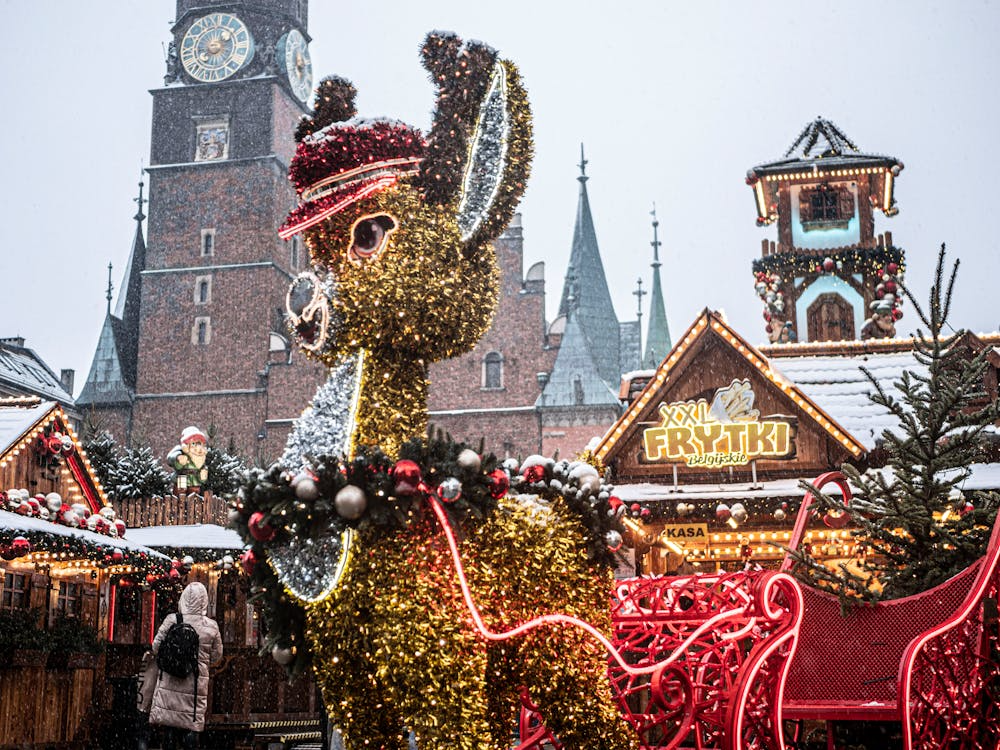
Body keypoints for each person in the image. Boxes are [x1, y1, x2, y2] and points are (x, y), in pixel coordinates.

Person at [149, 581, 223, 750]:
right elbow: (217, 656)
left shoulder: (172, 620)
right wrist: (200, 662)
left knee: (169, 728)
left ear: (182, 599)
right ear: (204, 601)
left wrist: (173, 659)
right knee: (190, 728)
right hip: (195, 686)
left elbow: (156, 647)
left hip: (170, 681)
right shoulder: (211, 627)